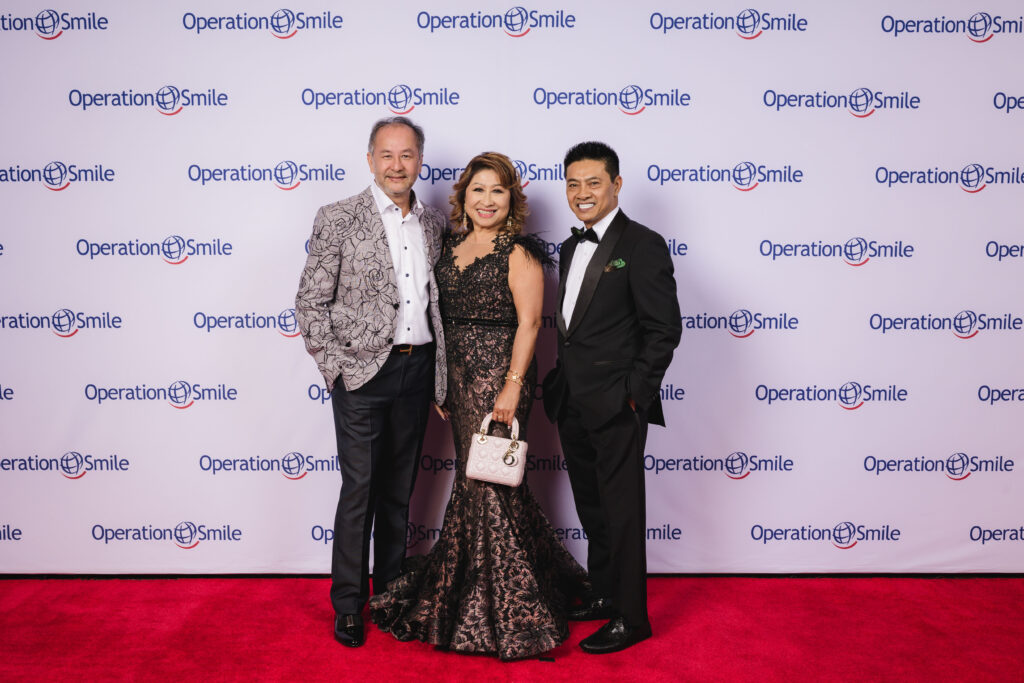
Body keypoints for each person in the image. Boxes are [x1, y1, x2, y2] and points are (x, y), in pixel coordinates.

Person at [369, 152, 588, 661]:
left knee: (490, 482)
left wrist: (512, 387)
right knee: (477, 482)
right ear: (462, 197)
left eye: (498, 191)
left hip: (500, 377)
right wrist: (441, 382)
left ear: (512, 200)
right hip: (458, 379)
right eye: (478, 190)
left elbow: (530, 325)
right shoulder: (446, 247)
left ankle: (516, 605)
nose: (487, 200)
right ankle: (484, 589)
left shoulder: (521, 253)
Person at [294, 116, 448, 648]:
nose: (397, 165)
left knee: (399, 490)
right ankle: (348, 603)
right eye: (387, 155)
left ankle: (390, 593)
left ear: (419, 162)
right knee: (359, 489)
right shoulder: (337, 217)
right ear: (369, 160)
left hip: (417, 369)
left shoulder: (433, 224)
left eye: (407, 155)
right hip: (361, 374)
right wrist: (336, 368)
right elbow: (310, 301)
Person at [542, 141, 682, 654]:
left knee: (622, 514)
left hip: (618, 404)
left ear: (616, 185)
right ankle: (603, 594)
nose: (582, 193)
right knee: (593, 507)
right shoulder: (569, 246)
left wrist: (634, 396)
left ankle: (632, 617)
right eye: (573, 184)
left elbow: (663, 329)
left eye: (593, 183)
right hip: (572, 401)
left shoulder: (643, 244)